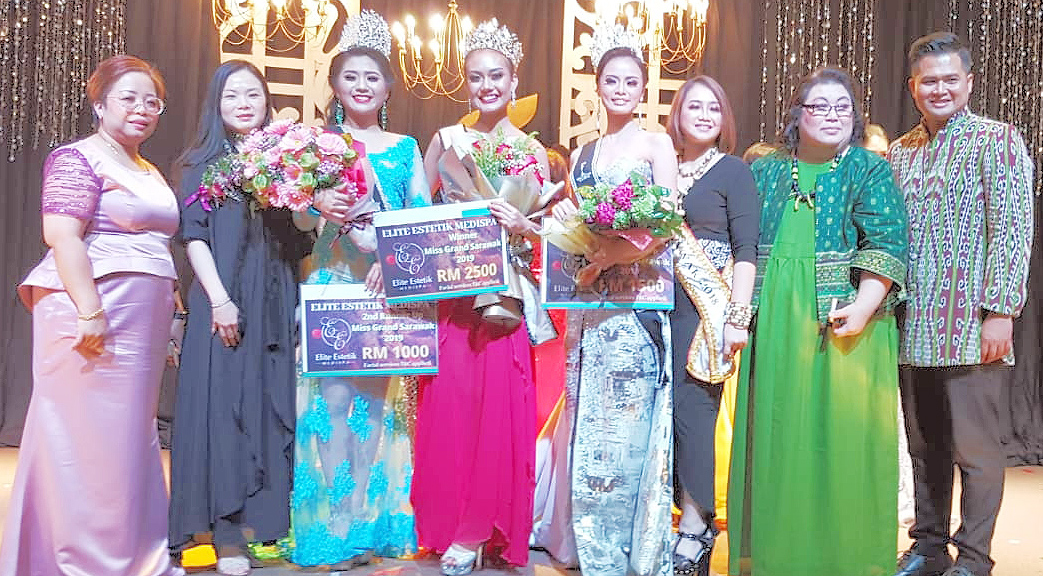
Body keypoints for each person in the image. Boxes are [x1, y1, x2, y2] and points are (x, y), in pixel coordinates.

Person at [0, 54, 184, 576]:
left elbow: (157, 249)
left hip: (142, 320)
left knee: (128, 438)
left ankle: (128, 553)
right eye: (129, 98)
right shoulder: (78, 158)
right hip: (90, 310)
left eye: (152, 101)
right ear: (100, 104)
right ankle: (72, 559)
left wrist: (175, 313)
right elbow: (61, 236)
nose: (141, 109)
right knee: (81, 437)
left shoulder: (147, 169)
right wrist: (89, 310)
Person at [727, 67, 909, 576]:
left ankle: (843, 559)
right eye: (820, 106)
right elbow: (741, 241)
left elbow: (888, 240)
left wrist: (865, 305)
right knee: (779, 436)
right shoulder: (766, 170)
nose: (832, 116)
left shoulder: (868, 169)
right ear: (797, 114)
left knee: (841, 438)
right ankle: (780, 555)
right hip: (776, 320)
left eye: (842, 107)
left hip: (846, 319)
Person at [889, 32, 1034, 576]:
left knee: (975, 451)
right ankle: (928, 547)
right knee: (924, 448)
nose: (940, 89)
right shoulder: (900, 151)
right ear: (913, 87)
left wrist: (1002, 310)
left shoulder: (998, 140)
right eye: (929, 81)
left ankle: (974, 558)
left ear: (969, 83)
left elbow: (1013, 228)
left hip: (973, 326)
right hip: (912, 328)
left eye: (951, 79)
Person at [291, 10, 430, 569]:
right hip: (332, 279)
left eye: (373, 77)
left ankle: (366, 518)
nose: (362, 85)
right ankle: (336, 517)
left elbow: (420, 217)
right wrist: (317, 204)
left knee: (372, 404)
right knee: (332, 402)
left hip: (381, 288)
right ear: (335, 85)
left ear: (388, 87)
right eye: (351, 76)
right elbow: (298, 222)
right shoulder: (316, 145)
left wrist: (393, 263)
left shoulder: (405, 147)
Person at [414, 18, 549, 575]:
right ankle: (452, 524)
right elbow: (417, 214)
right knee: (454, 408)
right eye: (476, 77)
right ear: (465, 84)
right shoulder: (446, 141)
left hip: (504, 303)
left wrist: (521, 224)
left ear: (514, 82)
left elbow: (545, 236)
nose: (487, 85)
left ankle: (481, 530)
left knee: (498, 411)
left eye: (497, 76)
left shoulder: (533, 151)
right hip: (455, 297)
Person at [168, 60, 312, 576]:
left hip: (274, 301)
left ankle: (267, 526)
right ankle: (226, 535)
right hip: (223, 301)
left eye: (253, 94)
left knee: (269, 409)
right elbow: (194, 237)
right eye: (232, 96)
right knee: (224, 412)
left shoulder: (285, 161)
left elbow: (298, 239)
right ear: (216, 104)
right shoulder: (199, 165)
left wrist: (309, 197)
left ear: (266, 100)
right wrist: (220, 300)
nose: (244, 104)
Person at [553, 24, 679, 576]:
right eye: (611, 80)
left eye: (631, 81)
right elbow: (573, 228)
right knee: (590, 425)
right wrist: (575, 236)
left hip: (638, 303)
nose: (621, 89)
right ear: (597, 86)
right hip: (590, 308)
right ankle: (593, 548)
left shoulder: (656, 144)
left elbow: (666, 223)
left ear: (643, 88)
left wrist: (610, 257)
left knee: (630, 427)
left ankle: (632, 550)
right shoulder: (582, 153)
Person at [665, 75, 758, 576]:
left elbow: (747, 250)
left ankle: (698, 524)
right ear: (677, 114)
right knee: (664, 420)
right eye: (694, 107)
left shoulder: (733, 172)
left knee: (695, 417)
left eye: (713, 108)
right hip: (657, 305)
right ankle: (672, 515)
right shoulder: (661, 167)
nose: (703, 115)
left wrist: (737, 318)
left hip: (707, 311)